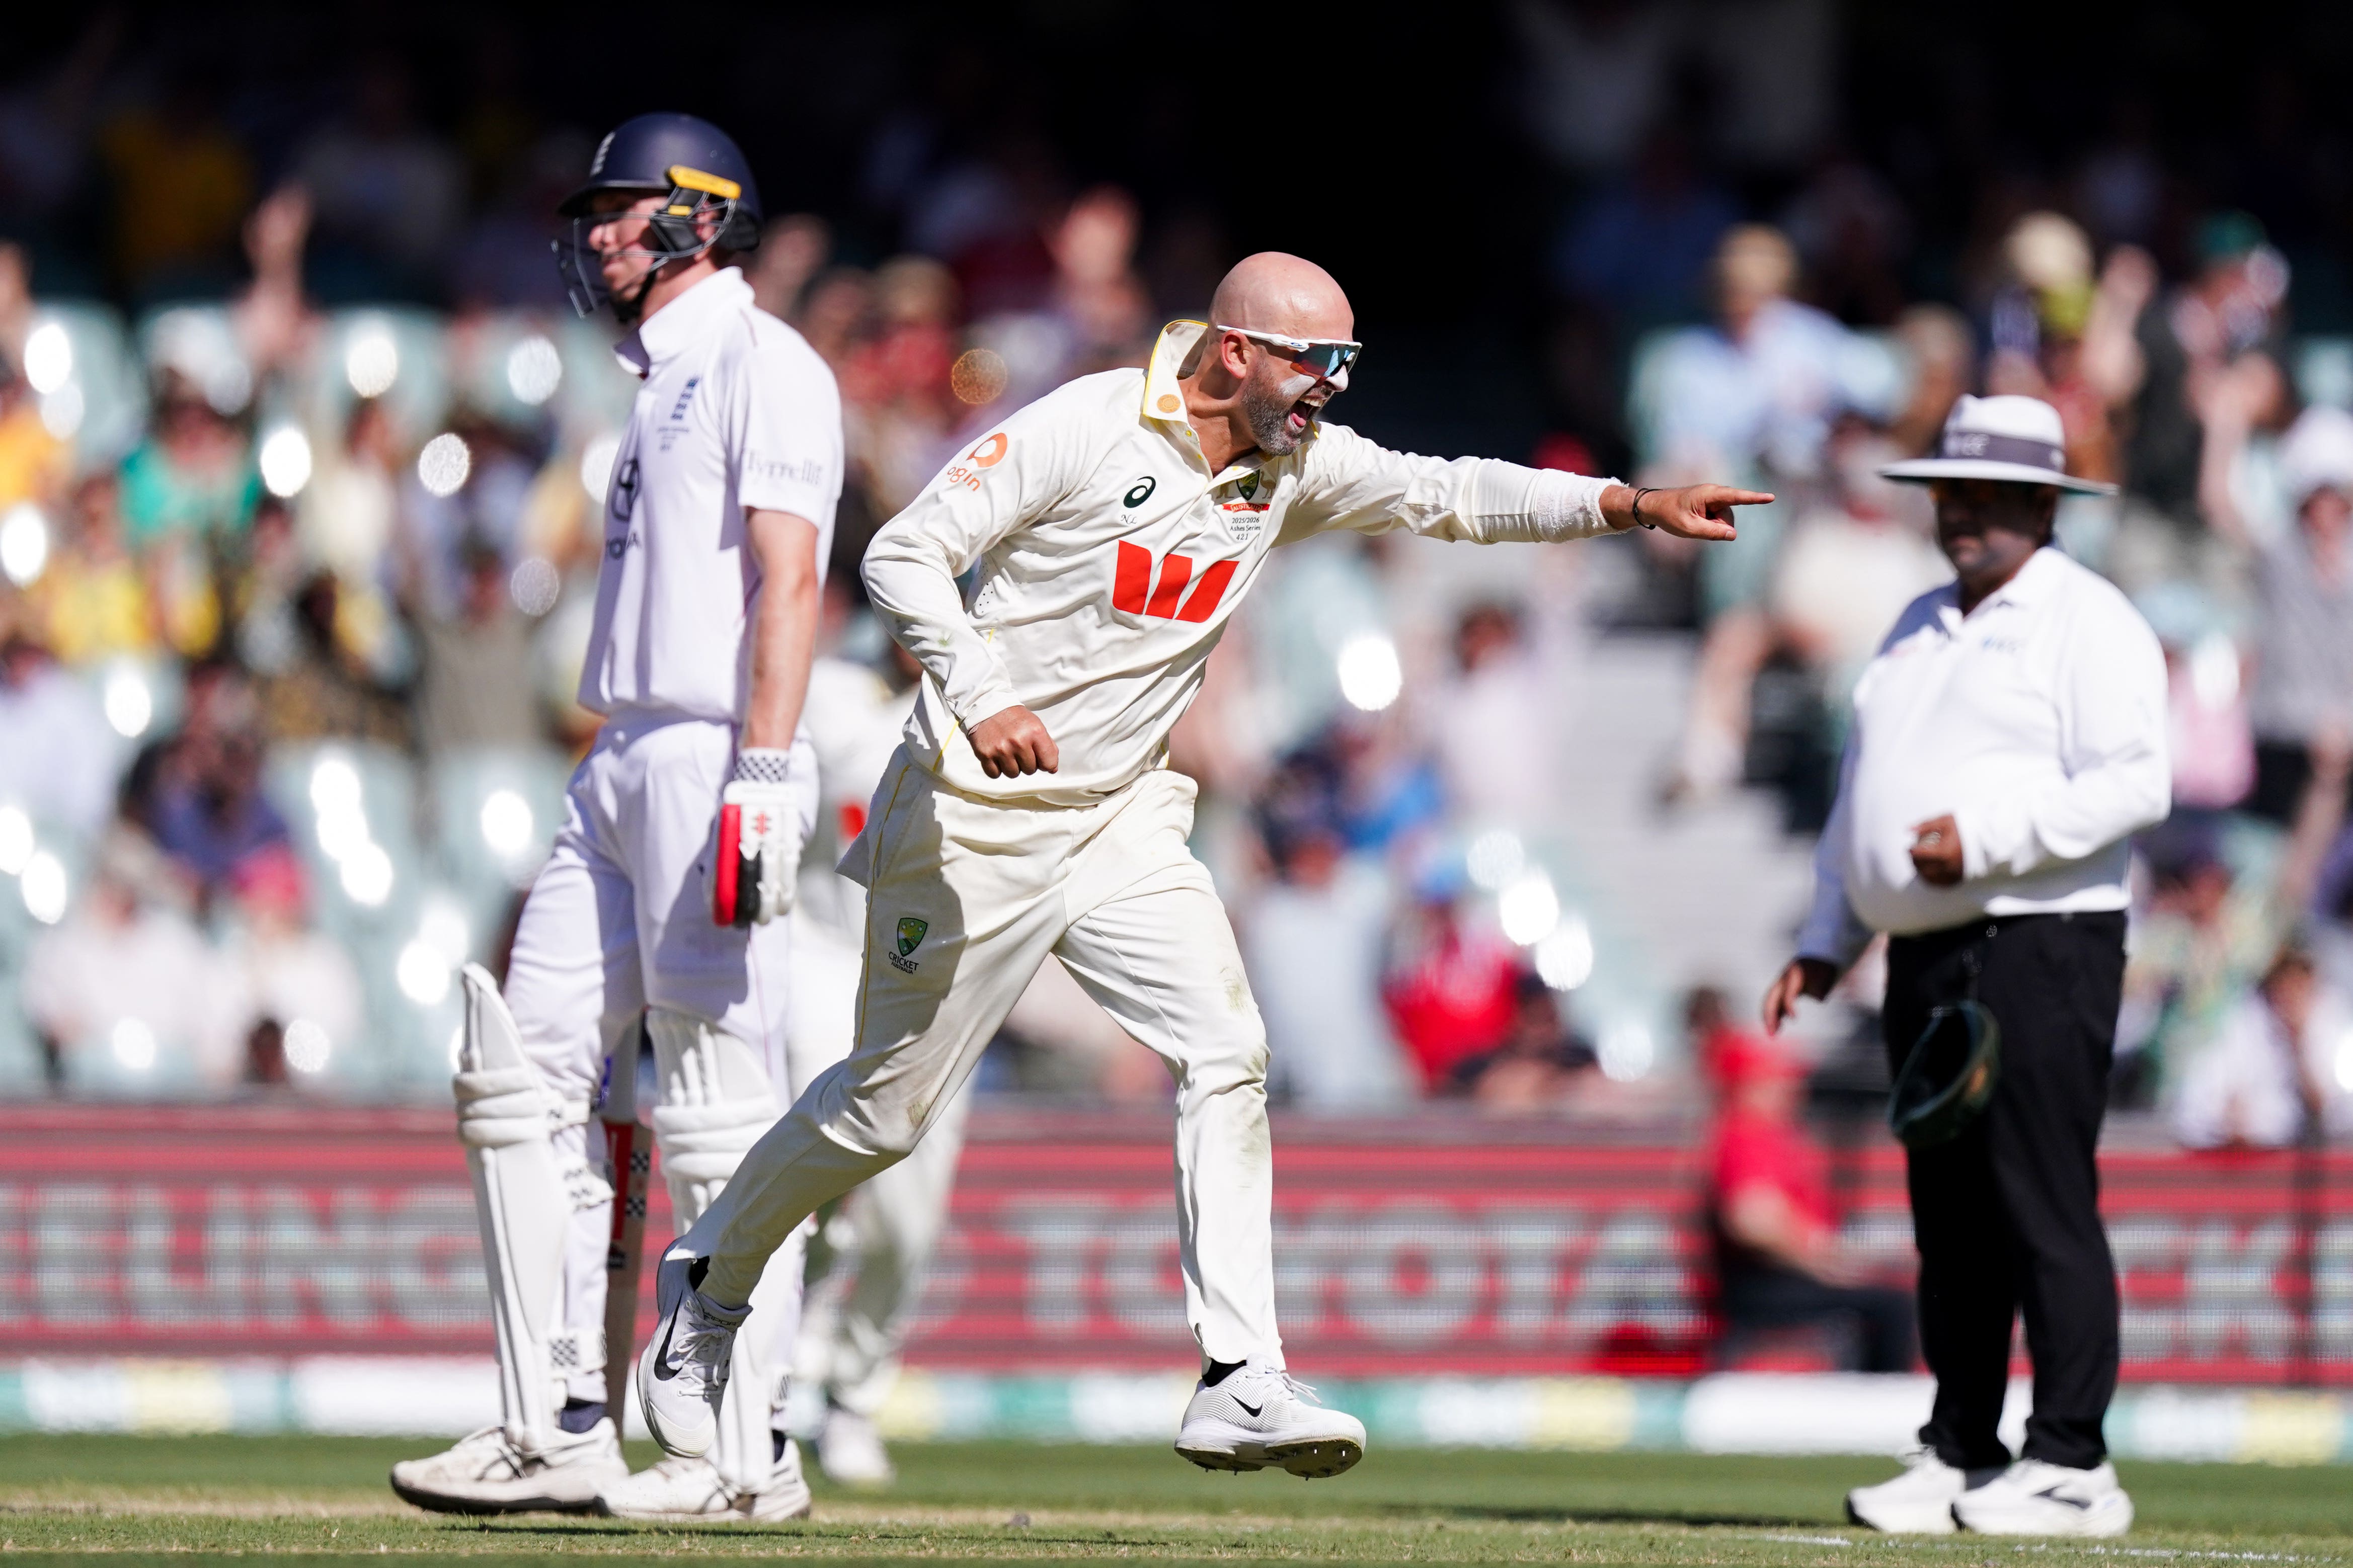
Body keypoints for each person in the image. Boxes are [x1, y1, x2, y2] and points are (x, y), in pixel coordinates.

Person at [631, 251, 1767, 1481]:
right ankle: (711, 1279)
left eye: (1346, 364)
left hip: (1121, 820)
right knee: (884, 1113)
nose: (1332, 386)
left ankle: (1240, 1373)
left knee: (1229, 1048)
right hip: (971, 817)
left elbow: (1447, 492)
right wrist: (985, 693)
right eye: (1314, 361)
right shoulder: (1093, 421)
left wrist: (1626, 506)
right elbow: (904, 554)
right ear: (1236, 352)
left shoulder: (1290, 465)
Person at [386, 113, 841, 1524]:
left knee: (713, 1099)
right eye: (588, 210)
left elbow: (788, 581)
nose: (595, 233)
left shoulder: (767, 362)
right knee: (518, 1076)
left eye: (621, 207)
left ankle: (747, 1446)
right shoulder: (653, 384)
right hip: (620, 749)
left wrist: (763, 775)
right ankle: (558, 1421)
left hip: (713, 749)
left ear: (703, 215)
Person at [1763, 394, 2168, 1537]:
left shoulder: (2089, 620)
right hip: (1929, 950)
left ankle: (2074, 1461)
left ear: (2043, 503)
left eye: (1985, 496)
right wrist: (1825, 938)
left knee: (2041, 1198)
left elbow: (2139, 780)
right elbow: (1861, 799)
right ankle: (1963, 1445)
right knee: (1951, 1216)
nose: (1960, 515)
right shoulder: (1913, 621)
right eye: (1950, 492)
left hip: (2044, 941)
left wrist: (1987, 840)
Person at [1697, 990, 1911, 1372]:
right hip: (1762, 1286)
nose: (1790, 1088)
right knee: (1891, 1307)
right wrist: (1821, 1259)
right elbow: (1751, 1219)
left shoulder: (1768, 1134)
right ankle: (1875, 1410)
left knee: (1887, 1297)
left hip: (1772, 1279)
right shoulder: (1747, 1133)